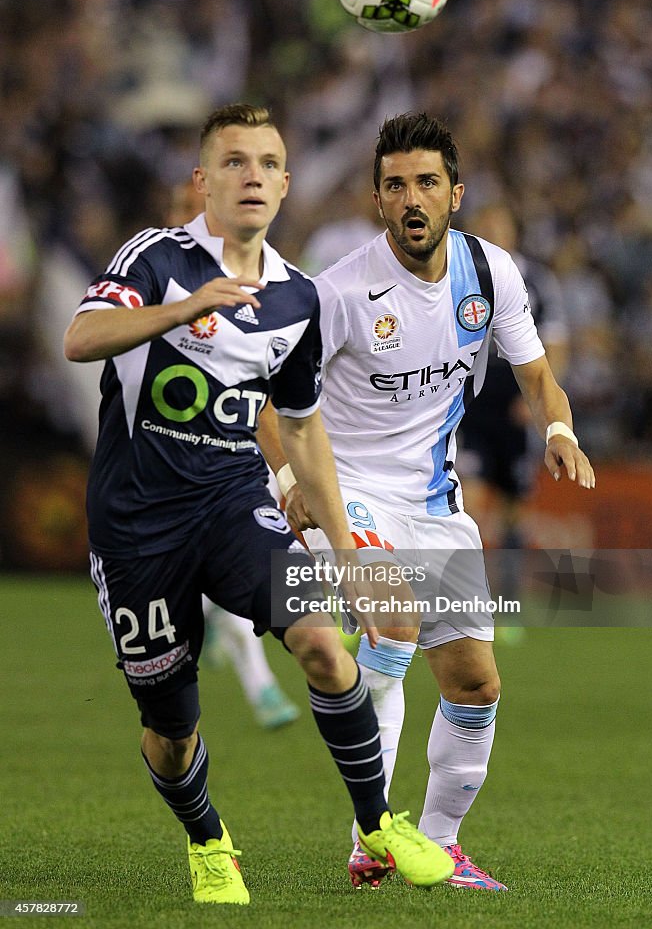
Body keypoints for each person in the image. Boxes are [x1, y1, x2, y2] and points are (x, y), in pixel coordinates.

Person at [63, 104, 455, 905]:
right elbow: (81, 337)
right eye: (233, 162)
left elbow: (305, 432)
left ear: (283, 184)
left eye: (266, 163)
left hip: (233, 501)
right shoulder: (156, 259)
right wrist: (179, 310)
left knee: (320, 640)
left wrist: (345, 552)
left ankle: (378, 822)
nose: (252, 175)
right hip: (138, 523)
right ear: (202, 182)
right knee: (172, 731)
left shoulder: (298, 299)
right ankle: (209, 842)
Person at [257, 111, 595, 892]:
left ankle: (438, 847)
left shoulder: (491, 273)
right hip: (348, 497)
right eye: (395, 185)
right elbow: (267, 402)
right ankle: (372, 834)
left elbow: (537, 372)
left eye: (426, 183)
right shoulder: (338, 291)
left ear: (455, 193)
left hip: (434, 504)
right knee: (394, 616)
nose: (411, 198)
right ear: (378, 201)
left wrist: (557, 428)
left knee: (475, 685)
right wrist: (289, 486)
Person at [167, 177, 300, 730]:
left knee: (248, 559)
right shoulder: (154, 279)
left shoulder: (259, 288)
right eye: (180, 210)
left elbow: (267, 392)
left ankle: (261, 684)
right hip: (169, 467)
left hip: (237, 466)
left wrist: (288, 473)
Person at [456, 202, 570, 637]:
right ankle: (464, 601)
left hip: (516, 395)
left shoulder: (537, 281)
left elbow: (556, 341)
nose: (490, 231)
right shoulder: (462, 273)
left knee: (513, 506)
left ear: (514, 231)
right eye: (484, 224)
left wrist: (540, 400)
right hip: (472, 397)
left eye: (497, 223)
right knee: (469, 497)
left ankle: (507, 604)